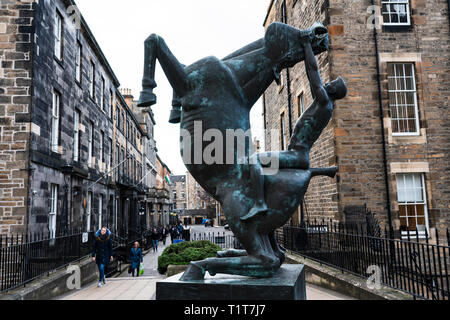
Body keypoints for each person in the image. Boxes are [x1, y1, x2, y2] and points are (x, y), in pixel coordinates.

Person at [242, 29, 347, 222]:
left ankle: (259, 203)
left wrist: (307, 45)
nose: (329, 84)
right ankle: (321, 171)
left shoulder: (324, 101)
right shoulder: (324, 105)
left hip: (295, 155)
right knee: (264, 167)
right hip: (298, 155)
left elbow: (313, 73)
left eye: (332, 83)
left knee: (254, 161)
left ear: (335, 91)